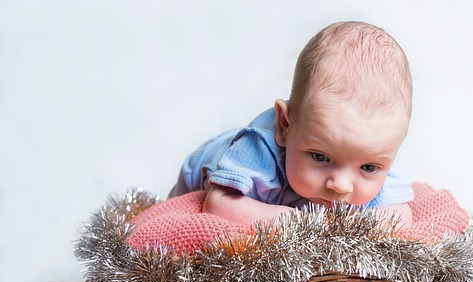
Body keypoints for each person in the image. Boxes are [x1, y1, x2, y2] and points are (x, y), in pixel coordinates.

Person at [170, 21, 414, 227]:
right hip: (206, 164)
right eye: (319, 157)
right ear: (285, 124)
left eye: (369, 168)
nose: (340, 186)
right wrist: (295, 221)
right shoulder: (259, 150)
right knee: (169, 216)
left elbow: (402, 215)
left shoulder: (375, 151)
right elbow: (217, 203)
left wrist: (363, 224)